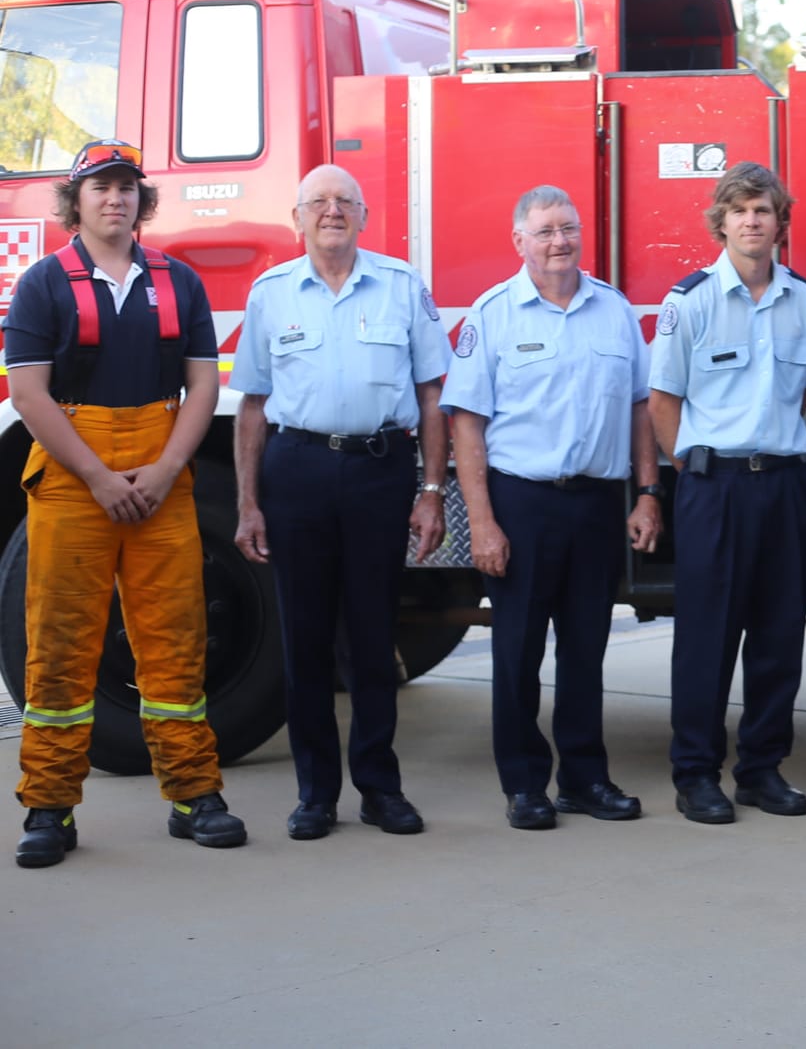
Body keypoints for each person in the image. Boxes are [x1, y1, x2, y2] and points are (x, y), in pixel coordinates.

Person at [8, 140, 241, 867]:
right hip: (77, 474)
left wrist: (168, 466)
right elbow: (27, 393)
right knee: (61, 641)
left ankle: (193, 793)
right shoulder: (42, 283)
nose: (115, 198)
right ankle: (50, 805)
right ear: (73, 201)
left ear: (143, 200)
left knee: (176, 636)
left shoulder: (179, 283)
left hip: (160, 470)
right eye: (100, 187)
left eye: (127, 187)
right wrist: (99, 475)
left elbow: (203, 384)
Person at [231, 165, 449, 841]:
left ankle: (380, 788)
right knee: (305, 640)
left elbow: (432, 396)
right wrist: (247, 503)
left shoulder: (401, 287)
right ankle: (316, 793)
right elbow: (253, 409)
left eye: (344, 201)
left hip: (380, 470)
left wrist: (432, 490)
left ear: (363, 215)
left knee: (372, 635)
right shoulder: (270, 294)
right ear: (297, 219)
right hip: (295, 471)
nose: (332, 211)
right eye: (318, 202)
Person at [441, 186, 662, 830]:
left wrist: (647, 493)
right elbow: (467, 426)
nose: (559, 241)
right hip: (521, 502)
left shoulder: (615, 312)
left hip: (596, 503)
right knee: (518, 650)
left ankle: (586, 778)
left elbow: (640, 407)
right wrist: (482, 521)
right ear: (519, 241)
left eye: (568, 228)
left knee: (586, 649)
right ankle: (524, 783)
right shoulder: (493, 315)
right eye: (544, 231)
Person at [650, 162, 806, 825]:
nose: (753, 220)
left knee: (779, 635)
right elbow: (663, 400)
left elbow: (805, 392)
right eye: (741, 209)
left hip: (783, 484)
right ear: (720, 221)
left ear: (782, 222)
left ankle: (762, 768)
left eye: (765, 209)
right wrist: (695, 467)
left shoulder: (805, 301)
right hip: (714, 487)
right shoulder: (690, 301)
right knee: (707, 636)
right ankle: (696, 772)